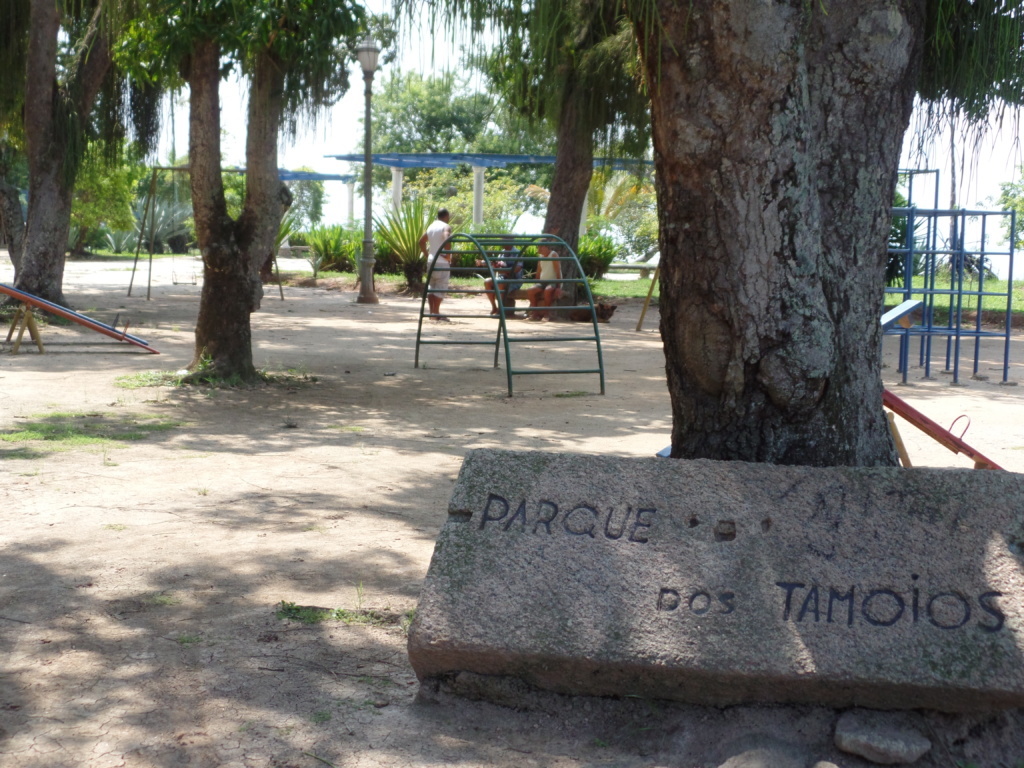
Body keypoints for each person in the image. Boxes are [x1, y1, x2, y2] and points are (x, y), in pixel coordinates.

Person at [419, 209, 453, 321]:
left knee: (432, 286)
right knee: (441, 286)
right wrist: (448, 255)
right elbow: (447, 237)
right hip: (441, 262)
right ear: (447, 216)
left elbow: (421, 241)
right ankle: (436, 312)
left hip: (431, 261)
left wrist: (426, 254)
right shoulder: (445, 226)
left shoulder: (431, 226)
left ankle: (431, 313)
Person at [480, 244, 525, 318]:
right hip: (502, 278)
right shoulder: (502, 252)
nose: (501, 242)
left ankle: (500, 309)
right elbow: (498, 267)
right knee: (487, 281)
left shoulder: (517, 253)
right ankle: (494, 307)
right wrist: (496, 266)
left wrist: (504, 270)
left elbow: (518, 268)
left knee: (500, 283)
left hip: (514, 280)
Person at [526, 244, 562, 321]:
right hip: (543, 281)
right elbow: (538, 271)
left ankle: (546, 314)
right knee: (530, 290)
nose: (539, 249)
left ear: (546, 247)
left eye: (540, 247)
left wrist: (558, 287)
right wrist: (536, 283)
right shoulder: (541, 257)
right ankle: (535, 313)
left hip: (553, 281)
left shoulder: (553, 255)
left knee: (547, 291)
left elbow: (558, 271)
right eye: (538, 247)